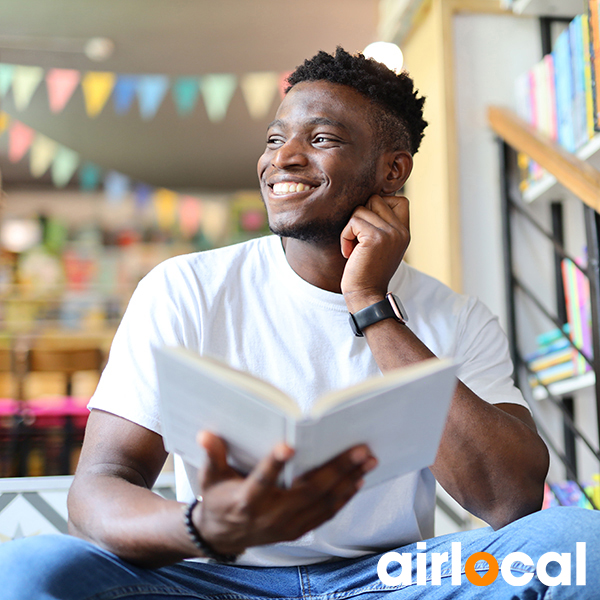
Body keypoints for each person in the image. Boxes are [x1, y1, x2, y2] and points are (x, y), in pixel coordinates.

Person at [1, 47, 598, 599]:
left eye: (320, 138)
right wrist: (200, 526)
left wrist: (369, 303)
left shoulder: (457, 317)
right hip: (220, 578)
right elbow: (97, 490)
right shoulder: (183, 288)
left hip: (394, 578)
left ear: (392, 170)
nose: (281, 158)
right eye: (275, 138)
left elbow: (510, 500)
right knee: (27, 570)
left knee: (580, 544)